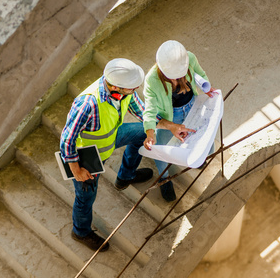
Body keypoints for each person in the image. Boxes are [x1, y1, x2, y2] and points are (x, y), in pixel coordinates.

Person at [60, 58, 153, 252]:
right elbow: (67, 140)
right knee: (85, 197)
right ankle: (80, 231)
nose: (136, 88)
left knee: (143, 131)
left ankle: (126, 176)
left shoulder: (124, 91)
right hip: (89, 156)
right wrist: (77, 170)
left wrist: (159, 127)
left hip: (111, 137)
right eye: (132, 87)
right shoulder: (87, 104)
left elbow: (142, 111)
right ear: (116, 87)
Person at [143, 40, 216, 202]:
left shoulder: (189, 57)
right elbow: (149, 109)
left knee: (203, 136)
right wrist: (150, 132)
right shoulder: (152, 80)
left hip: (192, 105)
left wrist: (206, 86)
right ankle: (164, 179)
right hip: (170, 116)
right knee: (160, 149)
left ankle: (200, 158)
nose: (178, 78)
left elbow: (200, 74)